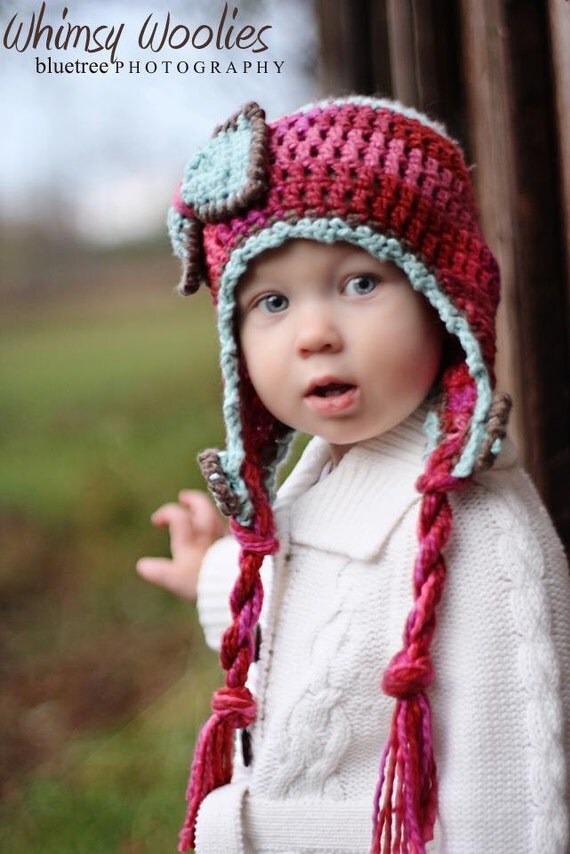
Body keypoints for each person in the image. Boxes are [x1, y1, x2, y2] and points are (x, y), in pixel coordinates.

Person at [137, 97, 570, 853]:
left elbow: (519, 801)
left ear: (444, 300)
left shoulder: (484, 539)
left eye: (361, 283)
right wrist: (213, 570)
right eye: (271, 301)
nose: (314, 334)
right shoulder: (322, 475)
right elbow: (310, 624)